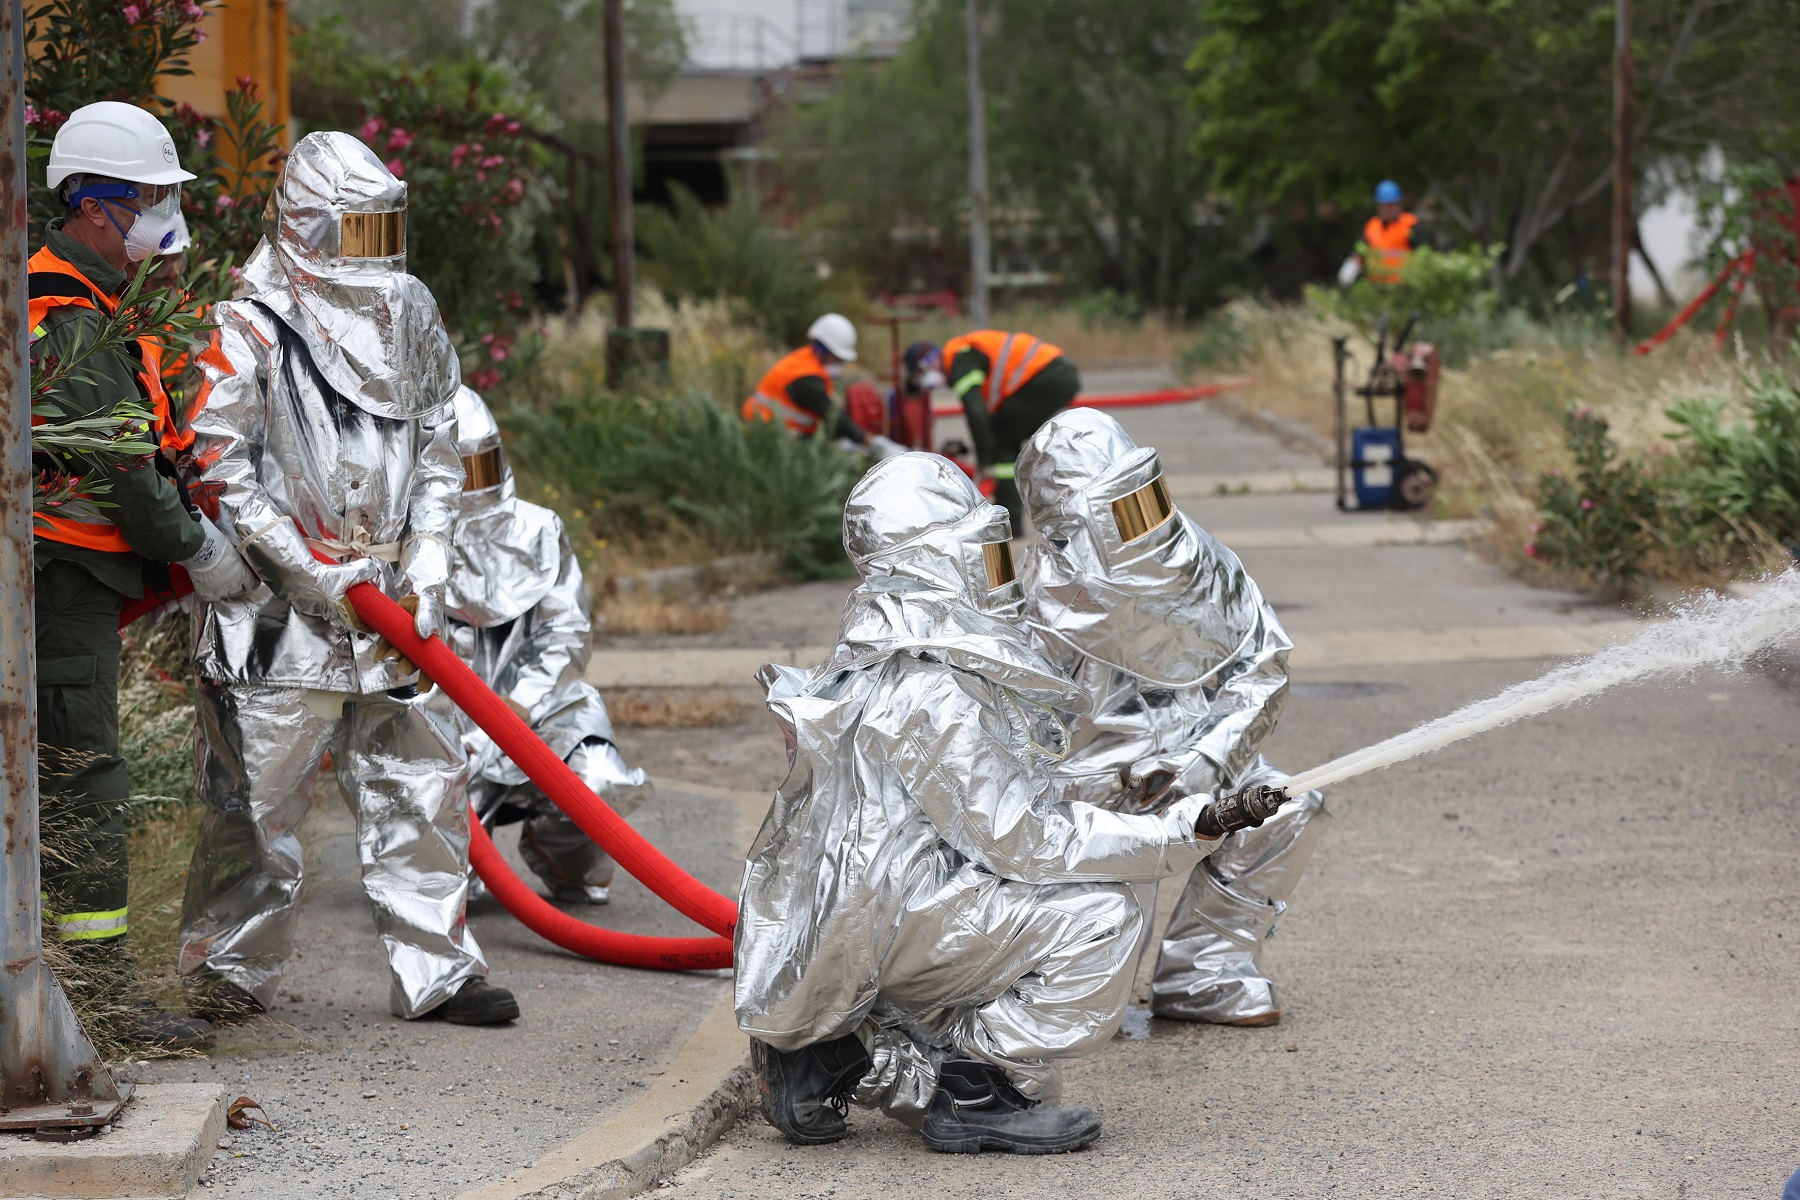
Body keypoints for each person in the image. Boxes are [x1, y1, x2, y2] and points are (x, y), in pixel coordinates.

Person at [737, 453, 1268, 1154]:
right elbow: (1032, 840)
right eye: (977, 557)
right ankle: (975, 1094)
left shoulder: (880, 662)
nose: (997, 575)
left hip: (869, 919)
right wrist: (1178, 832)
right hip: (893, 920)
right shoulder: (934, 692)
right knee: (1104, 916)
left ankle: (831, 1053)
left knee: (1039, 1044)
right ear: (932, 567)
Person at [176, 131, 518, 1026]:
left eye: (382, 231)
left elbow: (442, 446)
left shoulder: (407, 315)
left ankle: (439, 972)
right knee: (254, 806)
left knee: (424, 793)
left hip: (397, 612)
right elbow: (218, 468)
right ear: (306, 225)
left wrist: (431, 560)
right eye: (353, 232)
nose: (371, 256)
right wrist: (312, 570)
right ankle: (228, 971)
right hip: (275, 616)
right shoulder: (247, 324)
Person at [1015, 409, 1326, 1027]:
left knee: (1285, 811)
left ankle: (1203, 971)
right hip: (1085, 803)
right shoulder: (1032, 601)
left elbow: (1261, 664)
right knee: (1086, 989)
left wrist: (1208, 759)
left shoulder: (1200, 562)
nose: (1142, 521)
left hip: (1192, 768)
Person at [29, 101, 223, 1048]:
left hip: (72, 583)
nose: (162, 216)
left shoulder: (92, 302)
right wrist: (199, 548)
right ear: (97, 207)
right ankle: (97, 1005)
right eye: (150, 197)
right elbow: (124, 474)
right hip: (59, 585)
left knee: (67, 776)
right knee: (82, 779)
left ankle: (77, 996)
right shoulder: (68, 315)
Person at [426, 385, 650, 903]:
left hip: (539, 711)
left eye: (480, 465)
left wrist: (520, 702)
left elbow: (566, 630)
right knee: (444, 894)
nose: (471, 484)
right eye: (456, 471)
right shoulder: (402, 544)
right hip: (441, 731)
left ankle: (566, 862)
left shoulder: (539, 529)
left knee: (596, 783)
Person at [939, 330, 1080, 534]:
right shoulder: (969, 349)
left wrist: (985, 460)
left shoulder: (960, 358)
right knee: (1008, 437)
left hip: (1046, 376)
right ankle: (1016, 519)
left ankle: (1010, 522)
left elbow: (976, 413)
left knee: (1000, 439)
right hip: (1057, 372)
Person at [741, 313, 870, 444]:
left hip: (769, 429)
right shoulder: (806, 378)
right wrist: (866, 440)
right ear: (825, 351)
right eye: (839, 358)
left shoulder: (806, 359)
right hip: (768, 435)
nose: (841, 363)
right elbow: (832, 416)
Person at [1356, 179, 1420, 286]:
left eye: (1391, 205)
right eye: (1384, 206)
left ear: (1399, 204)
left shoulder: (1411, 225)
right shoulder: (1371, 226)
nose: (1388, 209)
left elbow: (1423, 254)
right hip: (1377, 286)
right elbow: (1360, 252)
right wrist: (1352, 267)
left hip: (1404, 285)